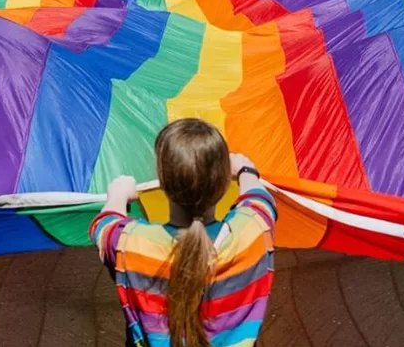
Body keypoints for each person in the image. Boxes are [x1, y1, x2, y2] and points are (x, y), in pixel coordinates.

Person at [91, 119, 277, 347]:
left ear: (163, 182)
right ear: (222, 182)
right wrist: (246, 171)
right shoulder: (252, 232)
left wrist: (118, 195)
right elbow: (259, 200)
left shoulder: (132, 244)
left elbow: (104, 226)